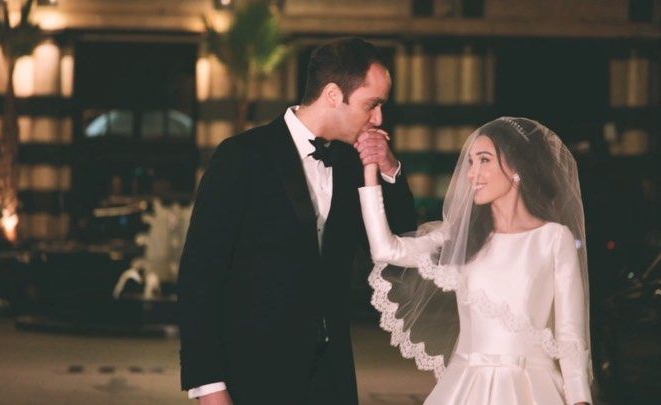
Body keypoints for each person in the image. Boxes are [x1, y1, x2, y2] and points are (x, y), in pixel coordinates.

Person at [178, 37, 417, 405]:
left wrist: (388, 168)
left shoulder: (355, 164)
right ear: (334, 95)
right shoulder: (241, 157)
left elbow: (400, 241)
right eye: (372, 105)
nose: (379, 119)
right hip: (252, 378)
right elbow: (199, 278)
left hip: (331, 379)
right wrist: (208, 386)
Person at [357, 117, 593, 404]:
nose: (472, 174)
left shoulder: (555, 239)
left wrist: (580, 397)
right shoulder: (459, 237)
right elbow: (387, 250)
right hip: (466, 386)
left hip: (532, 389)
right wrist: (371, 172)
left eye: (484, 160)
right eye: (470, 162)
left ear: (516, 167)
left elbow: (570, 334)